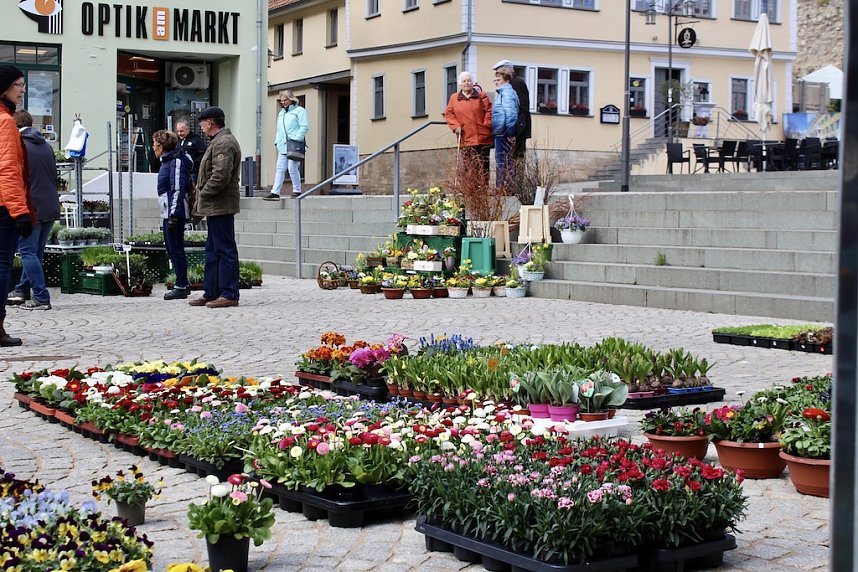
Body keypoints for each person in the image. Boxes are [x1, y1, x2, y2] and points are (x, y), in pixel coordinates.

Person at [188, 107, 241, 308]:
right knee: (212, 251)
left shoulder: (224, 142)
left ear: (210, 122)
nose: (201, 127)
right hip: (215, 205)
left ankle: (229, 293)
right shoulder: (218, 141)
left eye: (202, 123)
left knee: (225, 250)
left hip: (221, 204)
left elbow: (220, 175)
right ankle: (212, 292)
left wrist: (203, 194)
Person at [7, 109, 60, 311]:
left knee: (27, 252)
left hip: (31, 206)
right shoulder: (46, 146)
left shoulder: (19, 145)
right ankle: (21, 290)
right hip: (50, 205)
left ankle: (40, 296)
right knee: (36, 252)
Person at [0, 64, 33, 345]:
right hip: (3, 206)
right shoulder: (5, 121)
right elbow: (8, 169)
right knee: (1, 265)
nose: (22, 90)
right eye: (18, 85)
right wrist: (20, 210)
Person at [152, 129, 193, 301]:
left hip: (174, 211)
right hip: (169, 210)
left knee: (176, 249)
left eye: (155, 144)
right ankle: (182, 283)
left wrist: (174, 215)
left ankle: (181, 285)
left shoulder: (175, 162)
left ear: (161, 147)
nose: (153, 147)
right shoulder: (168, 161)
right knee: (172, 248)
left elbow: (177, 189)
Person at [444, 71, 493, 185]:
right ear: (460, 84)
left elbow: (489, 111)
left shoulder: (481, 96)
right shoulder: (454, 98)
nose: (467, 83)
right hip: (466, 138)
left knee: (483, 167)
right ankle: (470, 190)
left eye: (469, 80)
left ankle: (483, 189)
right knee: (469, 167)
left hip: (482, 138)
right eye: (464, 81)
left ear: (473, 82)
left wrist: (486, 124)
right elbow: (449, 114)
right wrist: (455, 126)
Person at [265, 90, 309, 200]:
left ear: (291, 99)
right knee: (280, 168)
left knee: (292, 168)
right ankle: (275, 192)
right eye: (282, 100)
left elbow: (304, 126)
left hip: (294, 144)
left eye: (285, 100)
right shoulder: (282, 113)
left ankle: (297, 191)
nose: (283, 102)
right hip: (283, 145)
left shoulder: (300, 111)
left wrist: (296, 138)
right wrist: (277, 141)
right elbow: (279, 129)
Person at [493, 60, 531, 159]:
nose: (497, 76)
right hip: (512, 127)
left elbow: (519, 108)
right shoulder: (509, 84)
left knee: (514, 158)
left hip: (516, 127)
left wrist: (514, 130)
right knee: (510, 159)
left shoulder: (515, 83)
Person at [490, 67, 520, 189]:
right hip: (502, 131)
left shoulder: (506, 93)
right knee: (505, 161)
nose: (495, 82)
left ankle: (503, 189)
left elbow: (511, 114)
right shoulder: (504, 92)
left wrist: (511, 132)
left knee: (503, 161)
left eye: (498, 80)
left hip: (504, 131)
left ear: (506, 80)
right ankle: (505, 188)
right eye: (495, 80)